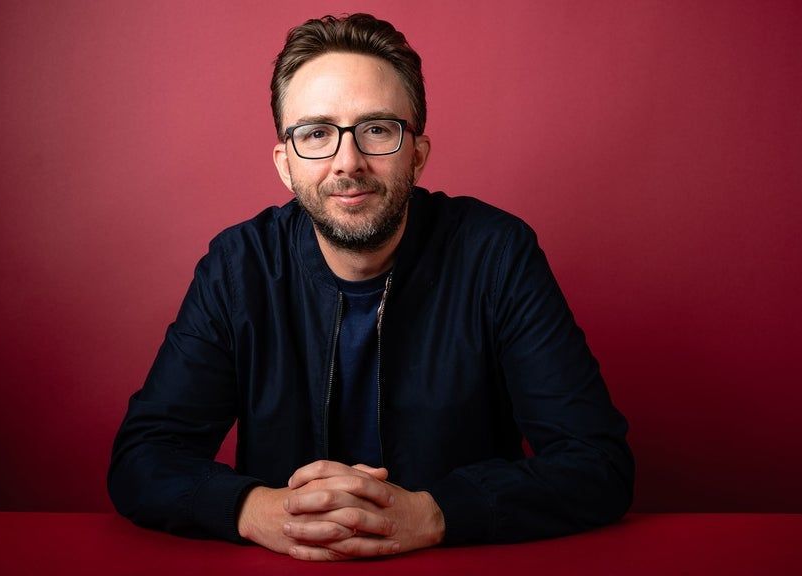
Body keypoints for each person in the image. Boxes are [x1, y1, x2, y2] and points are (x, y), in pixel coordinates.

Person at [108, 13, 634, 561]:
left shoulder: (497, 256)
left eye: (377, 130)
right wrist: (257, 510)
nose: (348, 162)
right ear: (285, 165)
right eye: (316, 133)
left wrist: (435, 513)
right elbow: (143, 458)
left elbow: (598, 463)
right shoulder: (237, 268)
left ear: (418, 155)